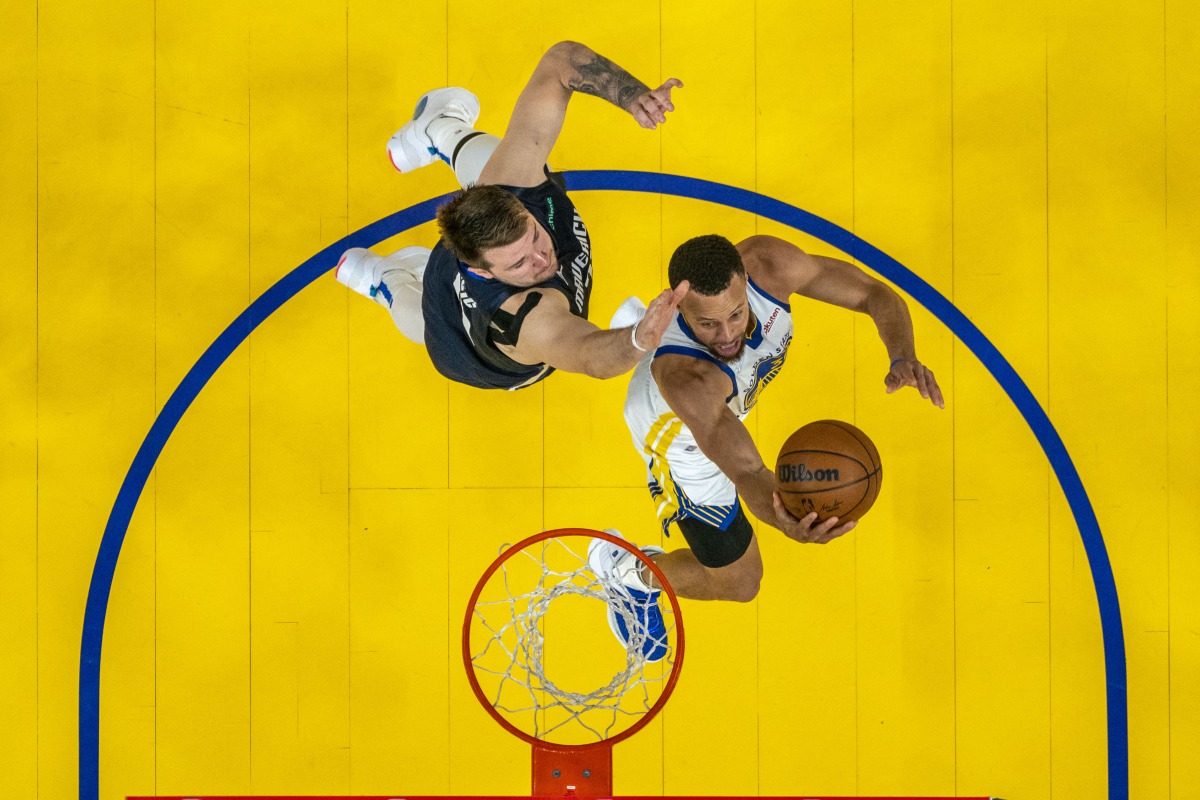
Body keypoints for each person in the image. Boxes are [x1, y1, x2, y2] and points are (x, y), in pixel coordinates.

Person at [588, 233, 944, 657]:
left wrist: (902, 356)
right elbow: (747, 472)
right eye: (707, 324)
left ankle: (638, 330)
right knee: (739, 584)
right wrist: (787, 517)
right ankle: (626, 575)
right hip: (679, 440)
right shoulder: (688, 380)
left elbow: (873, 292)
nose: (727, 335)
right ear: (679, 308)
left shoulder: (768, 263)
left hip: (721, 404)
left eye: (736, 314)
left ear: (745, 277)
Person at [335, 41, 688, 390]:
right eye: (520, 264)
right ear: (480, 271)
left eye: (534, 236)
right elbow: (587, 355)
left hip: (481, 244)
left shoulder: (514, 193)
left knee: (520, 161)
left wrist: (632, 96)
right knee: (423, 321)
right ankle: (390, 280)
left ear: (520, 207)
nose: (541, 258)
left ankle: (438, 128)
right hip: (467, 351)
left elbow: (561, 60)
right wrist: (639, 339)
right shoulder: (527, 316)